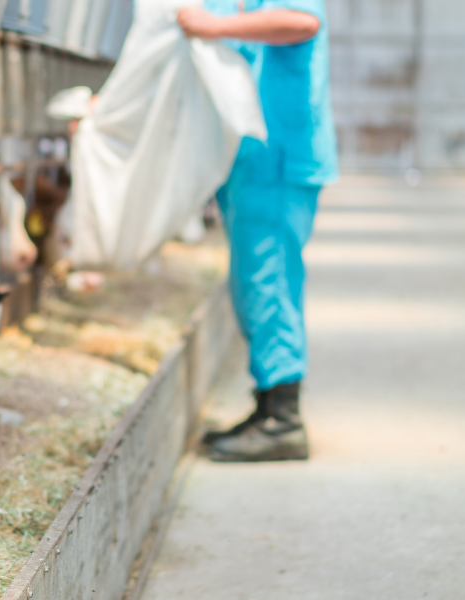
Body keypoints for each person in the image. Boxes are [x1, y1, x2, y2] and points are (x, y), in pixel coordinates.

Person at [177, 0, 338, 461]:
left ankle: (283, 421)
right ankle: (267, 406)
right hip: (254, 162)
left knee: (270, 282)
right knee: (253, 286)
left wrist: (214, 26)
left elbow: (302, 20)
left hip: (278, 159)